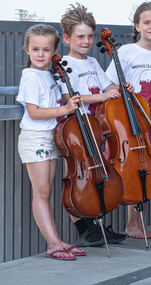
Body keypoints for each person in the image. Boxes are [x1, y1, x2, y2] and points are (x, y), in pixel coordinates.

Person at [105, 2, 151, 239]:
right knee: (131, 167)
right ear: (137, 26)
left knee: (146, 168)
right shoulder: (126, 52)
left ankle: (139, 223)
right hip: (131, 118)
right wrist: (122, 89)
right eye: (146, 22)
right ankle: (131, 223)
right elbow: (110, 83)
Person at [58, 4, 127, 247]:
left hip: (96, 126)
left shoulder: (93, 63)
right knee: (76, 177)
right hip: (75, 129)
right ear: (67, 38)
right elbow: (71, 99)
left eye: (90, 36)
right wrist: (101, 97)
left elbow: (108, 88)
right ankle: (83, 227)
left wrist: (118, 90)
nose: (86, 41)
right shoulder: (64, 64)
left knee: (97, 174)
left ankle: (97, 224)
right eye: (80, 36)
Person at [17, 24, 84, 260]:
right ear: (27, 50)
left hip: (52, 137)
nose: (40, 54)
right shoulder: (31, 77)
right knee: (42, 192)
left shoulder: (50, 74)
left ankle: (58, 241)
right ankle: (52, 244)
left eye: (46, 50)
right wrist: (64, 108)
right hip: (36, 137)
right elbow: (34, 112)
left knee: (47, 191)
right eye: (35, 49)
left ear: (55, 50)